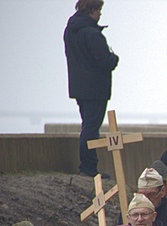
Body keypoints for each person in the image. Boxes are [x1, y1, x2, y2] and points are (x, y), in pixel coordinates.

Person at [64, 0, 118, 178]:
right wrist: (114, 58)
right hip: (95, 89)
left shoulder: (71, 31)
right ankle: (88, 168)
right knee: (91, 128)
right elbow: (104, 61)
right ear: (92, 9)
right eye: (99, 10)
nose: (100, 14)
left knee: (87, 125)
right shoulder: (92, 33)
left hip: (79, 87)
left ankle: (88, 166)